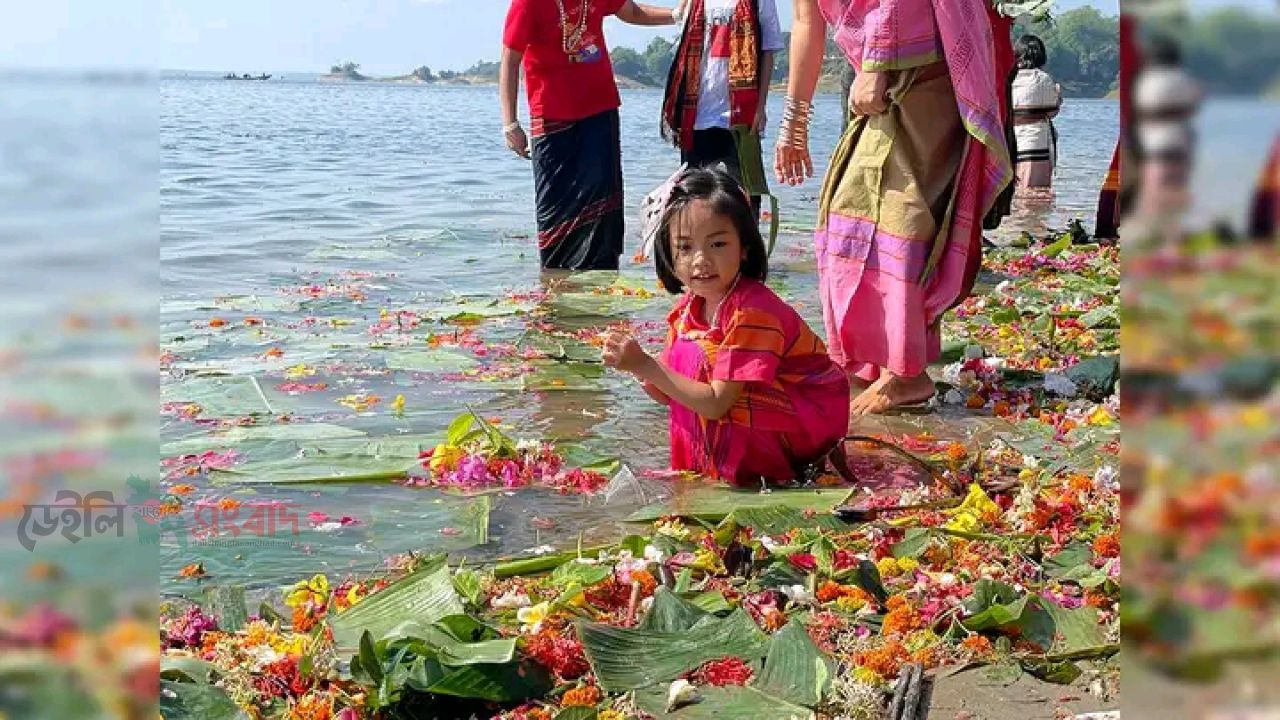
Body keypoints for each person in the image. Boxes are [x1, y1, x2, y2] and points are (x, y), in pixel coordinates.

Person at [773, 0, 1012, 416]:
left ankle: (904, 375)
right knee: (848, 218)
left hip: (925, 57)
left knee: (900, 215)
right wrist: (793, 125)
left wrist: (877, 64)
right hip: (885, 65)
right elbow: (805, 23)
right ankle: (870, 361)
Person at [602, 168, 850, 486]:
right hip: (737, 412)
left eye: (717, 244)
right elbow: (675, 395)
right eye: (685, 247)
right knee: (689, 351)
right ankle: (709, 466)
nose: (701, 260)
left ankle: (756, 473)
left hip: (802, 432)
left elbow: (718, 404)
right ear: (668, 254)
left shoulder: (753, 311)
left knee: (702, 363)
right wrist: (636, 367)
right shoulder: (687, 312)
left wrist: (646, 364)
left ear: (744, 247)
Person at [500, 0, 682, 271]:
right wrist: (510, 124)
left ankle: (601, 273)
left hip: (600, 111)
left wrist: (677, 15)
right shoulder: (528, 3)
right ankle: (556, 280)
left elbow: (630, 11)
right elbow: (510, 59)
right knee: (554, 206)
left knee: (602, 203)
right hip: (551, 116)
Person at [661, 0, 784, 216]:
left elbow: (767, 50)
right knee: (695, 199)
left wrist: (760, 106)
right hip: (697, 114)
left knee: (744, 199)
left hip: (740, 114)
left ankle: (747, 248)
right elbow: (684, 43)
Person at [1011, 34, 1061, 192]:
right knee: (1035, 193)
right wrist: (1058, 96)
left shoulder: (1009, 78)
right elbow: (1052, 111)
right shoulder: (1043, 79)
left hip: (1009, 139)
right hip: (1035, 141)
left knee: (1014, 194)